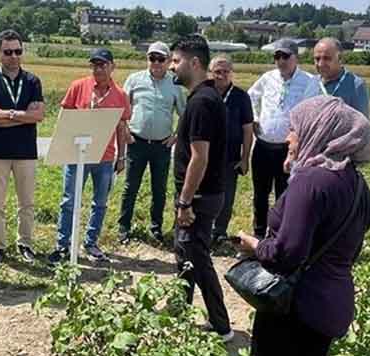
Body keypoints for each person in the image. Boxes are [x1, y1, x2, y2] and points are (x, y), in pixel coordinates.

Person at [236, 95, 370, 356]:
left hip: (294, 307)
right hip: (330, 303)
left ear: (320, 131)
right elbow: (351, 248)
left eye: (295, 129)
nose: (289, 138)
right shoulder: (358, 186)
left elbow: (285, 254)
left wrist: (254, 245)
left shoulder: (311, 181)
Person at [168, 35, 232, 340]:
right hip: (201, 195)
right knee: (186, 255)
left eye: (176, 60)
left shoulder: (202, 103)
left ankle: (221, 325)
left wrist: (184, 202)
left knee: (197, 258)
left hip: (199, 197)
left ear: (194, 63)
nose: (171, 67)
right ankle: (179, 313)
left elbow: (199, 157)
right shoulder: (206, 98)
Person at [47, 48, 131, 264]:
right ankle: (62, 246)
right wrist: (62, 148)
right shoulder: (78, 87)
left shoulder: (120, 95)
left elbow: (122, 128)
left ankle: (91, 243)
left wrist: (121, 157)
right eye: (94, 64)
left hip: (105, 158)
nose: (98, 69)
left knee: (100, 202)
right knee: (68, 201)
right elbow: (64, 118)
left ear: (112, 67)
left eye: (102, 64)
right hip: (76, 156)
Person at [0, 30, 44, 265]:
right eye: (8, 52)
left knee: (26, 203)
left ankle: (25, 243)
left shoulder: (32, 81)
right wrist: (22, 115)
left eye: (18, 51)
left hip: (26, 152)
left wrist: (6, 114)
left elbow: (39, 115)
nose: (14, 56)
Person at [248, 39, 320, 238]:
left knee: (285, 195)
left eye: (285, 56)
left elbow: (309, 112)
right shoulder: (267, 77)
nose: (280, 61)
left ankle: (280, 236)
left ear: (296, 57)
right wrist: (254, 117)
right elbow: (251, 95)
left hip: (287, 149)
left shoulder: (309, 81)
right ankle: (259, 233)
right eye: (276, 57)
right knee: (260, 194)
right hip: (263, 146)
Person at [117, 41, 186, 244]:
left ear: (168, 61)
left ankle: (155, 227)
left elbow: (185, 113)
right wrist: (126, 131)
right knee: (130, 187)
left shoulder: (175, 84)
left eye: (160, 59)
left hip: (161, 146)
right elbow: (122, 108)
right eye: (152, 58)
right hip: (136, 142)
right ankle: (124, 227)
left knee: (159, 188)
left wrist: (176, 136)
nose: (155, 62)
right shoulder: (134, 80)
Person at [207, 55, 254, 250]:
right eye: (217, 71)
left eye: (225, 71)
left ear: (231, 73)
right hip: (205, 156)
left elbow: (248, 129)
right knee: (204, 194)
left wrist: (244, 158)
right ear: (211, 73)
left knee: (226, 196)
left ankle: (219, 232)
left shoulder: (241, 97)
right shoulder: (204, 92)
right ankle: (202, 230)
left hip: (230, 157)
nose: (221, 75)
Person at [313, 37, 370, 117]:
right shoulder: (311, 82)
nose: (320, 64)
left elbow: (361, 125)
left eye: (327, 58)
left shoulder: (356, 85)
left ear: (340, 58)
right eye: (317, 59)